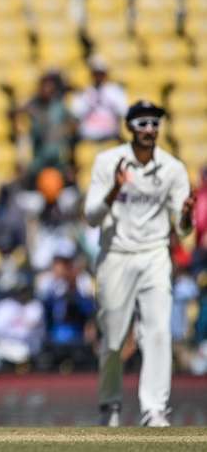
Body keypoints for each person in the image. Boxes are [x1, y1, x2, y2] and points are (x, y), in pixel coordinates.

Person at [83, 100, 195, 427]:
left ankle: (154, 409)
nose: (149, 130)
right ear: (129, 127)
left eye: (154, 124)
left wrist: (186, 214)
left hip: (154, 254)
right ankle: (110, 404)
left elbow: (183, 229)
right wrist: (114, 189)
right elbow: (91, 217)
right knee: (115, 337)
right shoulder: (108, 162)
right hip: (116, 255)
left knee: (158, 330)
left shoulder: (172, 169)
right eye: (143, 123)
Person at [71, 55, 128, 142]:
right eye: (96, 73)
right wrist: (89, 102)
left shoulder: (116, 91)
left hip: (110, 135)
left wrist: (109, 101)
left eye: (101, 73)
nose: (98, 76)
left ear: (106, 73)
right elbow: (76, 113)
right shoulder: (84, 92)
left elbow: (123, 111)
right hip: (88, 136)